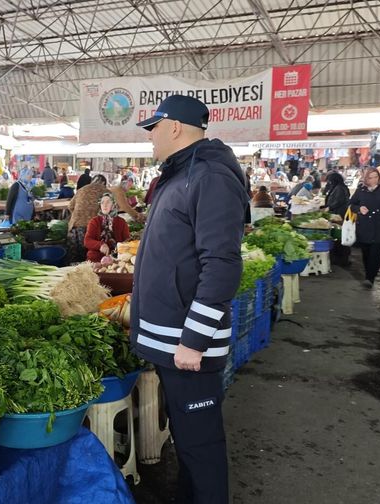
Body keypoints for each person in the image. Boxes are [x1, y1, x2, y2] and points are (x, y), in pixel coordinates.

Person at [131, 95, 247, 504]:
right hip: (172, 340)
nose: (150, 138)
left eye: (154, 129)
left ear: (174, 127)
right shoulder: (180, 174)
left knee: (201, 445)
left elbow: (222, 264)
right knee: (186, 438)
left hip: (187, 344)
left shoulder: (209, 176)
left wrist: (194, 341)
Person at [348, 168, 380, 289]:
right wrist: (359, 209)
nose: (373, 180)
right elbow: (351, 204)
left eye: (375, 177)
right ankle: (368, 273)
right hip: (365, 226)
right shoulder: (361, 190)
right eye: (370, 177)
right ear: (366, 178)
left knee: (376, 253)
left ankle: (370, 278)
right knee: (366, 253)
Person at [67, 174, 110, 262]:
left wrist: (79, 216)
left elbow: (70, 206)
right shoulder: (106, 192)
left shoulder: (82, 189)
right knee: (90, 261)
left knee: (74, 260)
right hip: (91, 229)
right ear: (104, 183)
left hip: (74, 228)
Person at [84, 193, 130, 262]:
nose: (104, 205)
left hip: (117, 259)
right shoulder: (94, 221)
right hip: (96, 259)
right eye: (102, 203)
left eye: (108, 202)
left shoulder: (121, 222)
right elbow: (87, 241)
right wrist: (100, 245)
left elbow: (127, 240)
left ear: (113, 205)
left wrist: (120, 247)